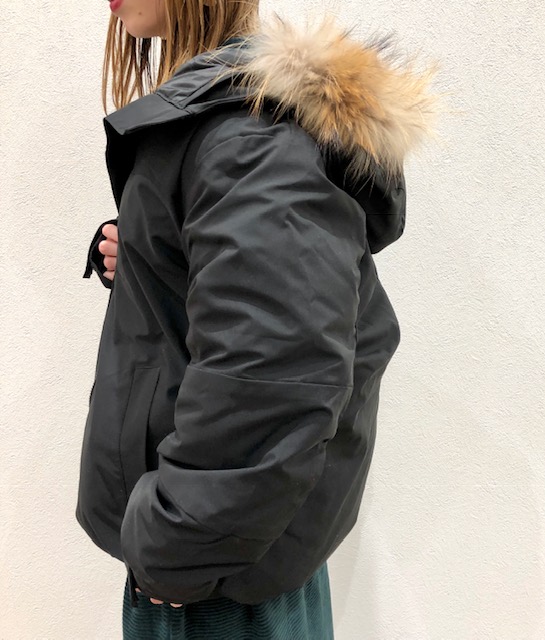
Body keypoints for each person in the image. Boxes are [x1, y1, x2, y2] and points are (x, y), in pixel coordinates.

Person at [76, 1, 440, 638]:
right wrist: (146, 253)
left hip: (212, 578)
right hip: (222, 547)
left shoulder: (249, 141)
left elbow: (274, 377)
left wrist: (174, 548)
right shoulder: (232, 127)